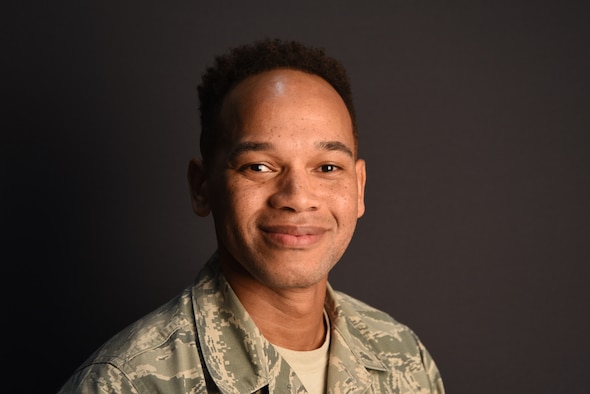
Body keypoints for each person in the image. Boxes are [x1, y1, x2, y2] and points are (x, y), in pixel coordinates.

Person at [58, 38, 445, 394]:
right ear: (202, 187)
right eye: (259, 167)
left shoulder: (403, 357)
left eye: (327, 168)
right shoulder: (123, 383)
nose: (297, 198)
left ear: (359, 188)